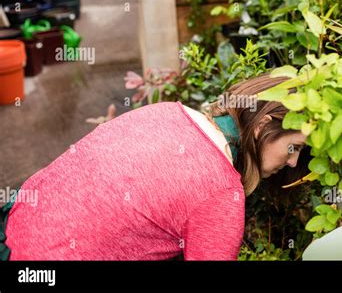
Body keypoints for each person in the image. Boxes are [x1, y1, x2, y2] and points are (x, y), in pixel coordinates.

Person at [0, 73, 310, 260]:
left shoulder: (167, 112)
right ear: (262, 127)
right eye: (293, 148)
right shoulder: (220, 197)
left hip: (13, 233)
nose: (293, 162)